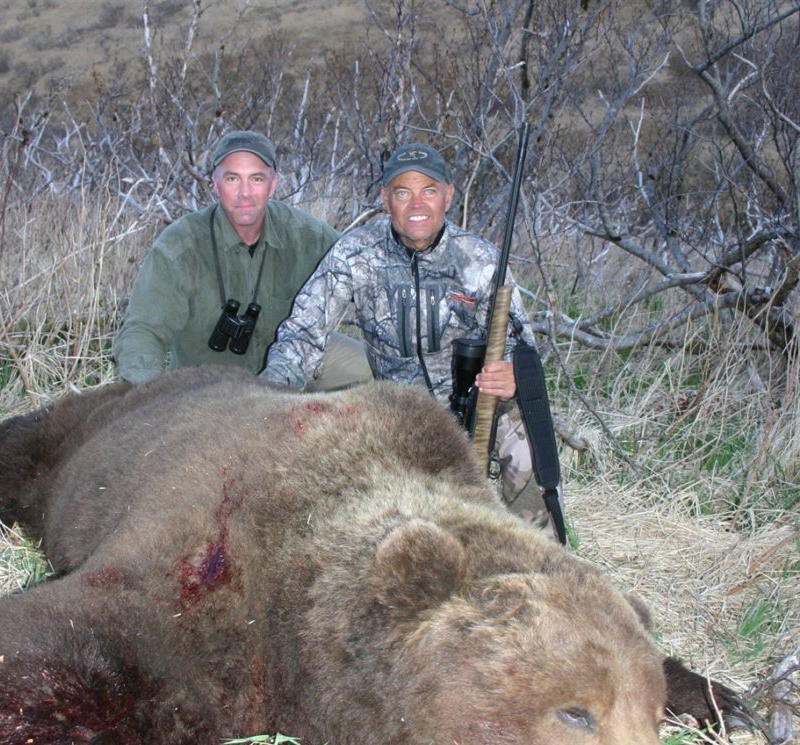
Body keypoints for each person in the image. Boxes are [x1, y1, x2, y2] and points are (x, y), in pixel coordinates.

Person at [261, 142, 561, 536]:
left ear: (449, 196)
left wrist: (512, 375)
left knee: (525, 438)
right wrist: (266, 399)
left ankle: (545, 555)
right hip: (395, 415)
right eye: (403, 192)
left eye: (429, 191)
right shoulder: (355, 255)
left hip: (474, 411)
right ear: (386, 199)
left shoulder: (482, 261)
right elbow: (302, 333)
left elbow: (524, 348)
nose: (416, 204)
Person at [112, 130, 347, 386]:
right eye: (233, 179)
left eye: (256, 179)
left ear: (273, 184)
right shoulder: (179, 247)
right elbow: (143, 331)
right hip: (211, 394)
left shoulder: (309, 237)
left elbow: (362, 267)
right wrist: (151, 397)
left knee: (366, 368)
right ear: (215, 183)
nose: (245, 193)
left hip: (294, 374)